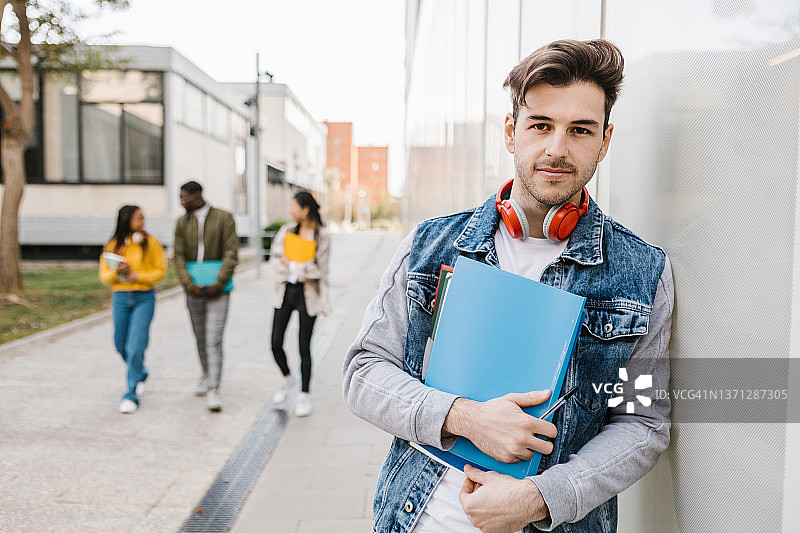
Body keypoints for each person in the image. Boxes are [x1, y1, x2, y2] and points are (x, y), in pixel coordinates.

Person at [343, 39, 673, 533]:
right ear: (510, 132)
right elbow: (364, 373)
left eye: (579, 130)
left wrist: (543, 497)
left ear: (604, 142)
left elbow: (643, 423)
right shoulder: (432, 245)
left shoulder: (645, 272)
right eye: (540, 125)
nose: (557, 149)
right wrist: (464, 417)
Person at [173, 181, 239, 412]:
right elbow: (178, 256)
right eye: (180, 198)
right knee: (200, 337)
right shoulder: (182, 223)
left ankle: (214, 388)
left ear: (198, 195)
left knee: (214, 339)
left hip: (218, 289)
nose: (182, 203)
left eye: (186, 198)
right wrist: (188, 285)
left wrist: (219, 282)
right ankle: (205, 373)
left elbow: (232, 252)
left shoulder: (224, 217)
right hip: (193, 289)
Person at [99, 205, 166, 414]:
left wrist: (137, 276)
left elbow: (160, 271)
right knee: (120, 344)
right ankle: (140, 372)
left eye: (144, 218)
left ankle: (131, 393)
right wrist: (117, 272)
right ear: (126, 220)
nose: (143, 222)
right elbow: (104, 275)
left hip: (144, 297)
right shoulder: (113, 244)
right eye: (138, 219)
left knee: (136, 346)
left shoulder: (151, 242)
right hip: (120, 296)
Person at [269, 191, 331, 417]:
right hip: (285, 291)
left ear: (305, 210)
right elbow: (276, 262)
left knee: (304, 346)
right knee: (275, 342)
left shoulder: (322, 236)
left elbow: (319, 270)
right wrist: (300, 267)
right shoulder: (286, 231)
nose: (290, 211)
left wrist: (294, 266)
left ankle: (304, 395)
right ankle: (287, 378)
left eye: (293, 206)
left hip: (308, 296)